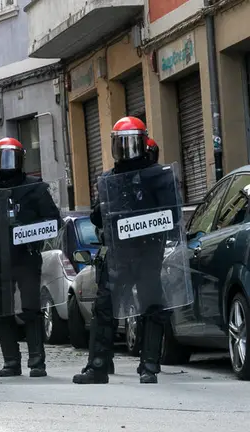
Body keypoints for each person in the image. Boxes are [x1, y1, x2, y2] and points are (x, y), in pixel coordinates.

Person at [73, 116, 179, 385]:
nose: (127, 149)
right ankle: (97, 366)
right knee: (104, 307)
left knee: (152, 306)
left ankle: (149, 366)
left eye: (131, 142)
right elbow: (97, 217)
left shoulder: (158, 176)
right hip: (118, 254)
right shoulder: (108, 180)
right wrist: (104, 209)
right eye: (122, 143)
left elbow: (172, 214)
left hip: (147, 252)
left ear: (142, 143)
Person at [0, 137, 62, 378]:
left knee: (31, 308)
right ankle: (11, 361)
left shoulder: (35, 188)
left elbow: (53, 221)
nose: (7, 163)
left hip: (26, 256)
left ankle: (37, 361)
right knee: (2, 310)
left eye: (12, 157)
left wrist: (30, 233)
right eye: (3, 158)